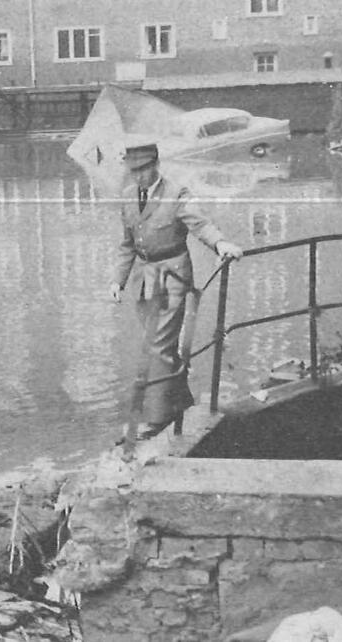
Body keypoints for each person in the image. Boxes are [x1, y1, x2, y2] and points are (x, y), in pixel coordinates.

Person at [108, 143, 242, 453]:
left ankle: (155, 419)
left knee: (156, 344)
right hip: (143, 278)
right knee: (158, 345)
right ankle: (180, 402)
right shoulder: (128, 196)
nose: (139, 176)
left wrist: (220, 243)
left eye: (143, 170)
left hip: (173, 276)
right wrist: (118, 280)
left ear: (156, 165)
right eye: (134, 171)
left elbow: (200, 224)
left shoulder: (176, 193)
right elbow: (127, 244)